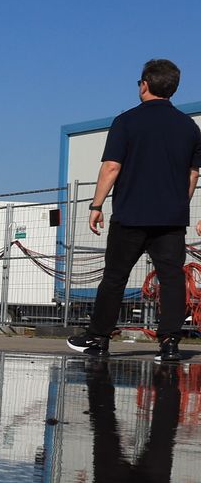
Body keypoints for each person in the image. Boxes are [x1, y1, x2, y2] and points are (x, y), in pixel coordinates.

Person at [69, 58, 200, 363]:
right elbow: (192, 175)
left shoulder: (126, 121)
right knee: (171, 279)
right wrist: (178, 203)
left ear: (144, 85)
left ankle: (98, 339)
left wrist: (96, 204)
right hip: (170, 219)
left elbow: (112, 166)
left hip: (130, 215)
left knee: (115, 277)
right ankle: (169, 344)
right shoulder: (189, 127)